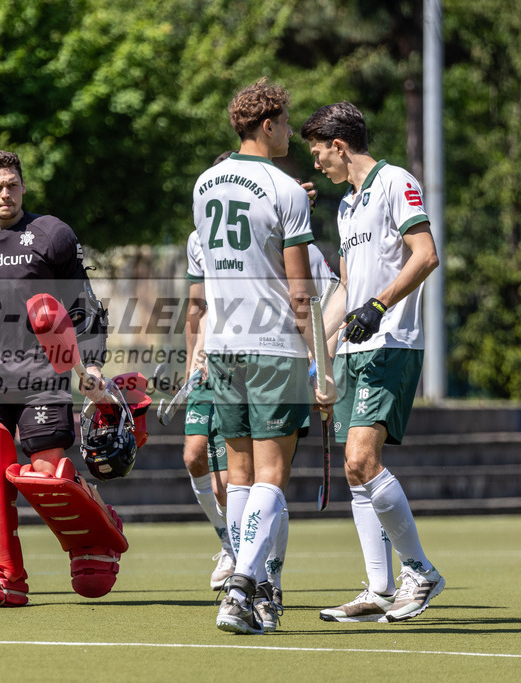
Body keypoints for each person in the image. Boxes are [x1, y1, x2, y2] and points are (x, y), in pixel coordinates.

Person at [0, 150, 123, 607]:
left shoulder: (51, 235)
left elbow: (84, 306)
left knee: (45, 474)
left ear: (23, 185)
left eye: (12, 185)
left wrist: (91, 365)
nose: (5, 195)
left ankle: (96, 538)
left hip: (43, 374)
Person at [192, 79, 334, 635]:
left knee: (243, 476)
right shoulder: (286, 189)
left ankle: (243, 582)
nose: (291, 132)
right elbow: (303, 293)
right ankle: (242, 586)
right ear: (268, 124)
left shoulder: (204, 184)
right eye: (287, 121)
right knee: (273, 477)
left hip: (224, 346)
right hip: (274, 345)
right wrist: (320, 366)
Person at [301, 100, 444, 623]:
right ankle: (380, 590)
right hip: (357, 348)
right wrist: (324, 349)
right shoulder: (346, 206)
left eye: (318, 153)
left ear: (340, 146)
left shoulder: (395, 182)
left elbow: (425, 254)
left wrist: (379, 306)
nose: (317, 164)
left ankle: (420, 572)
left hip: (392, 342)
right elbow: (344, 287)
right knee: (354, 470)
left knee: (363, 461)